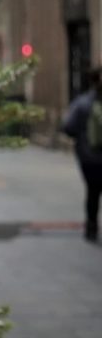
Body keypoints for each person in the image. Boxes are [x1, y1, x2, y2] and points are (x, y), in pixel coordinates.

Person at [63, 69, 102, 242]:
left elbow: (68, 127)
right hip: (91, 156)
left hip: (89, 157)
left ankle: (91, 227)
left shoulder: (82, 102)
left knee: (93, 193)